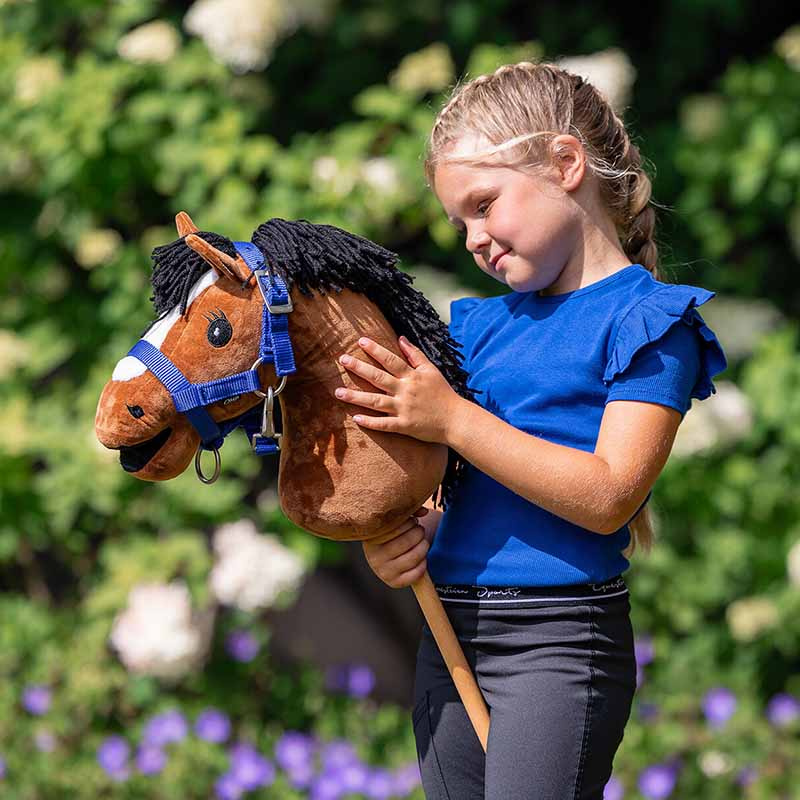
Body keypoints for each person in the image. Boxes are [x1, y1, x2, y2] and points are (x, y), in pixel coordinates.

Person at [333, 61, 727, 799]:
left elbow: (608, 495)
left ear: (566, 164)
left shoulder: (650, 323)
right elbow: (451, 493)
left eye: (484, 205)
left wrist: (454, 418)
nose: (472, 238)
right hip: (450, 636)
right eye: (460, 223)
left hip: (559, 646)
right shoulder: (475, 329)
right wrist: (402, 537)